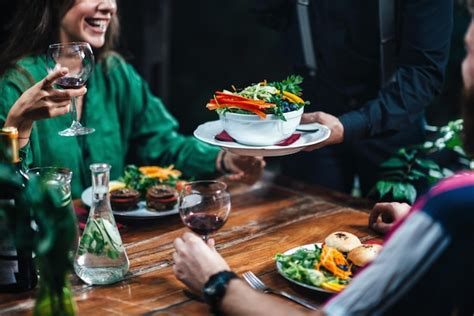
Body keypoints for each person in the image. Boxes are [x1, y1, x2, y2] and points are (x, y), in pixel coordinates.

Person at [172, 4, 474, 312]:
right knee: (292, 242)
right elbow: (269, 14)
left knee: (400, 274)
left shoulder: (454, 203)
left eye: (469, 51)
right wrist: (413, 222)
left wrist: (218, 283)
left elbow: (423, 74)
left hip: (393, 123)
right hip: (311, 125)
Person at [0, 0, 265, 198]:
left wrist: (224, 159)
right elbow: (8, 188)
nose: (109, 6)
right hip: (48, 251)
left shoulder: (114, 72)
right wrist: (17, 122)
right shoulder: (16, 82)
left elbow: (161, 143)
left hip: (114, 236)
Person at [253, 0, 453, 196]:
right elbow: (269, 14)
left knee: (399, 225)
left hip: (394, 117)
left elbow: (424, 75)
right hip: (313, 118)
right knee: (301, 220)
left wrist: (352, 125)